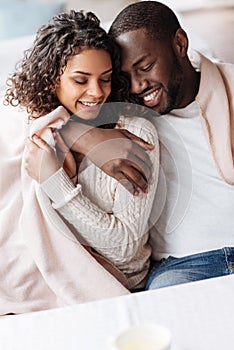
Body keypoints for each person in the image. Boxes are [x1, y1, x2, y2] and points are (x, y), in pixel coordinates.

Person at [57, 1, 234, 290]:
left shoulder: (228, 86)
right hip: (181, 263)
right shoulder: (125, 109)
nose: (138, 86)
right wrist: (83, 137)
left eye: (146, 67)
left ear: (179, 43)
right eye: (126, 77)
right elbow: (37, 118)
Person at [4, 8, 159, 305]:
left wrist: (56, 183)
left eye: (105, 79)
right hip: (38, 278)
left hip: (114, 278)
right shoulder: (32, 128)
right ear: (51, 79)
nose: (96, 92)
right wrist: (77, 135)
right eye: (80, 80)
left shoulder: (135, 135)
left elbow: (125, 252)